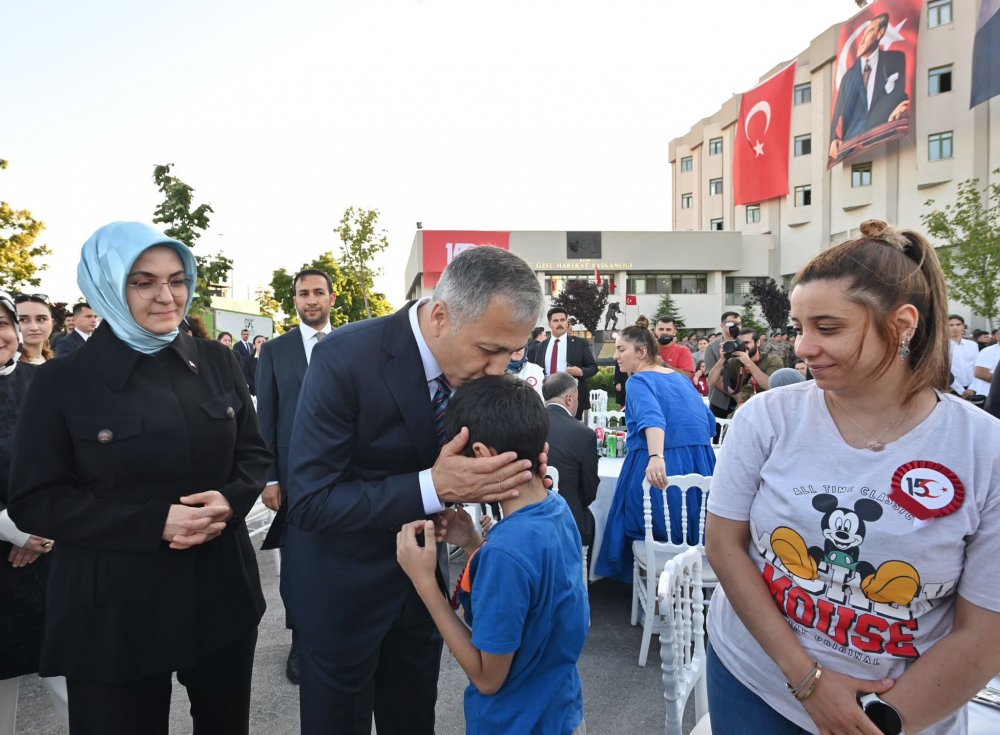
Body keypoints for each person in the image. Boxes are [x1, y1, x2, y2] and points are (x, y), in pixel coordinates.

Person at [704, 219, 1000, 735]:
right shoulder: (768, 418)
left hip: (902, 709)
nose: (803, 347)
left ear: (902, 324)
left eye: (828, 328)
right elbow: (725, 546)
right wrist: (808, 681)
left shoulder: (983, 449)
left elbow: (985, 629)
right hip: (755, 681)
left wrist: (882, 719)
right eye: (800, 327)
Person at [8, 221, 272, 735]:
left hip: (219, 592)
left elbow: (253, 454)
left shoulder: (217, 361)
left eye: (177, 280)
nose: (167, 297)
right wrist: (154, 522)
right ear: (106, 286)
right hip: (113, 609)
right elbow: (34, 499)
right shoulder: (62, 381)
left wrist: (230, 500)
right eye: (143, 282)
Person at [282, 245, 546, 735]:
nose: (499, 370)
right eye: (489, 350)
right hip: (340, 595)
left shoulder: (477, 370)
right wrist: (432, 486)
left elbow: (474, 457)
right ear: (440, 317)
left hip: (421, 595)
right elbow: (311, 501)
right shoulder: (344, 357)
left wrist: (515, 469)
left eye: (512, 354)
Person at [396, 374, 588, 735]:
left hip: (517, 724)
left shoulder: (505, 554)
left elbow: (488, 678)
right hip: (561, 712)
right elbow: (534, 598)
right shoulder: (555, 507)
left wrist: (425, 584)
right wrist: (473, 543)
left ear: (482, 455)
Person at [256, 267, 336, 684]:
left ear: (331, 298)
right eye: (303, 293)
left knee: (340, 558)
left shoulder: (350, 342)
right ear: (295, 301)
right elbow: (265, 418)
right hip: (293, 478)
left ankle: (338, 632)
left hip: (344, 473)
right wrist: (270, 478)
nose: (311, 300)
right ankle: (301, 639)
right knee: (299, 564)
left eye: (318, 292)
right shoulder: (275, 351)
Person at [594, 326, 717, 583]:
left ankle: (655, 590)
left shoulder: (638, 381)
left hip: (658, 459)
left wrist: (656, 457)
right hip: (699, 464)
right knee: (690, 524)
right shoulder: (680, 379)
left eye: (621, 349)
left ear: (642, 352)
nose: (616, 356)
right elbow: (708, 422)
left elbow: (653, 419)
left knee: (646, 522)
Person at [0, 292, 68, 734]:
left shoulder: (42, 382)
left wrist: (41, 530)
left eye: (2, 324)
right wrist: (13, 529)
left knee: (72, 674)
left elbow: (74, 461)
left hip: (50, 556)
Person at [829, 12, 909, 162]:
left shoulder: (895, 59)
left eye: (869, 31)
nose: (862, 39)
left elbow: (901, 93)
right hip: (853, 148)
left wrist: (903, 105)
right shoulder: (848, 78)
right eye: (863, 34)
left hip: (885, 137)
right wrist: (833, 139)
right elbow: (836, 114)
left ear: (880, 33)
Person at [543, 372, 600, 546]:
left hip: (525, 516)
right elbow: (589, 491)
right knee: (594, 519)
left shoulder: (525, 424)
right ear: (569, 399)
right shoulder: (583, 433)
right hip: (567, 522)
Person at [531, 306, 599, 419]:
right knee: (547, 428)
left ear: (567, 323)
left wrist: (581, 372)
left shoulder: (579, 343)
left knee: (572, 429)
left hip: (571, 397)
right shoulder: (541, 346)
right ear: (549, 324)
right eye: (555, 321)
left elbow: (593, 367)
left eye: (562, 320)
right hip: (546, 396)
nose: (560, 323)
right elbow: (537, 370)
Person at [708, 327, 783, 410]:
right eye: (740, 343)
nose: (743, 346)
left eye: (746, 343)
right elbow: (711, 382)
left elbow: (770, 386)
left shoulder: (773, 360)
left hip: (766, 408)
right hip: (742, 408)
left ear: (758, 342)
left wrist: (748, 362)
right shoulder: (734, 361)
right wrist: (722, 359)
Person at [705, 311, 742, 421]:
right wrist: (736, 395)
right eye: (731, 324)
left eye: (739, 324)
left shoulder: (746, 344)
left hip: (745, 398)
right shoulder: (712, 347)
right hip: (720, 401)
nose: (735, 327)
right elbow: (713, 378)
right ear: (722, 325)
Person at [14, 294, 54, 364]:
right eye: (23, 320)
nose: (34, 327)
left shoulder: (49, 360)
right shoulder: (7, 365)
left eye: (41, 319)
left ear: (52, 323)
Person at [947, 314, 979, 398]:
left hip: (972, 389)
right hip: (950, 389)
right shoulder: (941, 347)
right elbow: (943, 371)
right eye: (951, 325)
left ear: (963, 327)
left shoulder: (973, 345)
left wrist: (973, 388)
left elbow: (976, 367)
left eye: (958, 324)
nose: (955, 328)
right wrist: (960, 390)